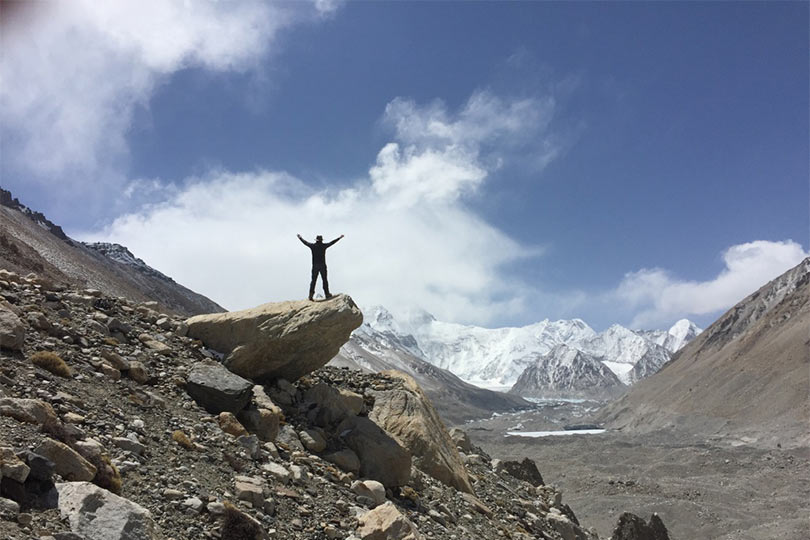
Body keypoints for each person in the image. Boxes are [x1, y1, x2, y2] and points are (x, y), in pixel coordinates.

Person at [297, 233, 344, 301]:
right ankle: (327, 294)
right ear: (321, 240)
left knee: (313, 281)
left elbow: (305, 242)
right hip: (322, 265)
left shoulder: (313, 246)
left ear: (316, 240)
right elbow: (332, 242)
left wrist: (300, 237)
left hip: (315, 265)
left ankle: (310, 295)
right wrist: (339, 238)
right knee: (324, 280)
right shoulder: (323, 246)